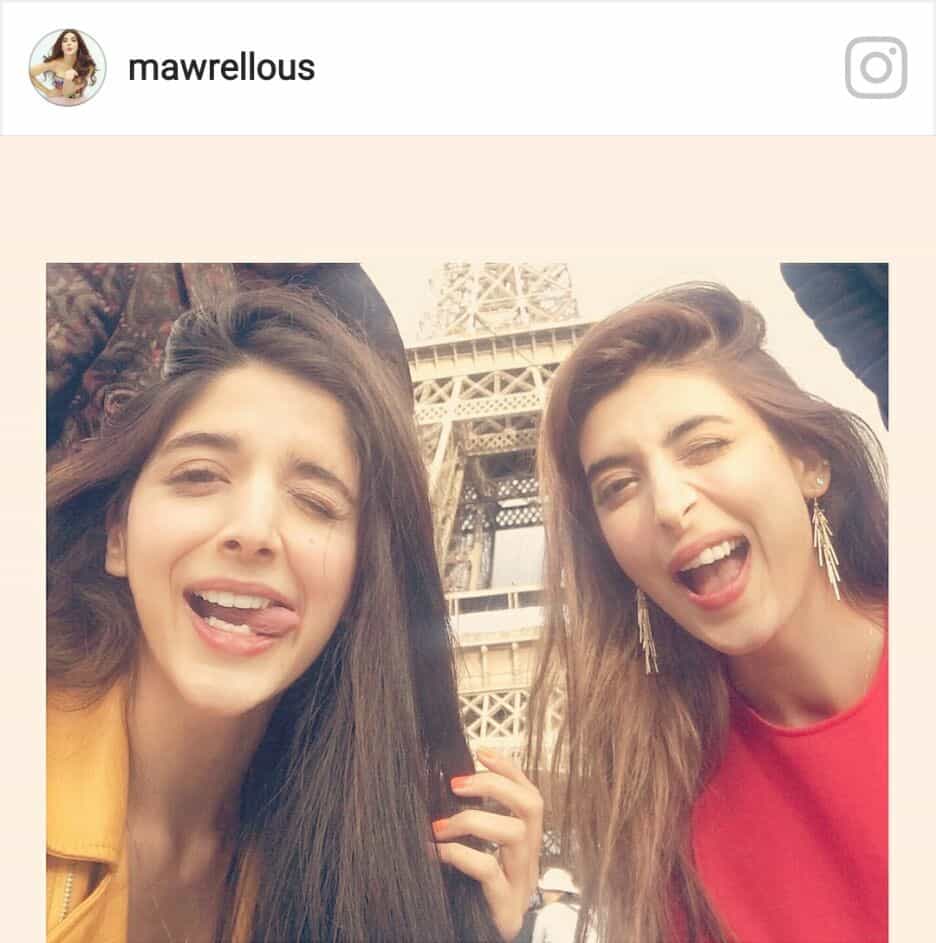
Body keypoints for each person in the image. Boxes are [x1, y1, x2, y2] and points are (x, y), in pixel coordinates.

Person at [47, 288, 542, 942]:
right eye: (200, 475)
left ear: (361, 583)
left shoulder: (340, 869)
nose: (254, 530)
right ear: (118, 533)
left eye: (315, 501)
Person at [528, 283, 887, 943]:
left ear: (809, 462)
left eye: (704, 446)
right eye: (618, 486)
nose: (669, 505)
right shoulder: (655, 797)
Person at [30, 30, 97, 102]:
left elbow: (68, 93)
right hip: (56, 101)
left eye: (73, 40)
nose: (69, 43)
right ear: (61, 46)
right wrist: (47, 92)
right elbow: (29, 73)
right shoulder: (55, 63)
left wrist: (68, 80)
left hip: (79, 102)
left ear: (79, 45)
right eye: (65, 41)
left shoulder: (87, 65)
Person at [530, 869, 595, 943]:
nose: (543, 895)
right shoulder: (588, 911)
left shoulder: (547, 912)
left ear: (557, 892)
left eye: (544, 891)